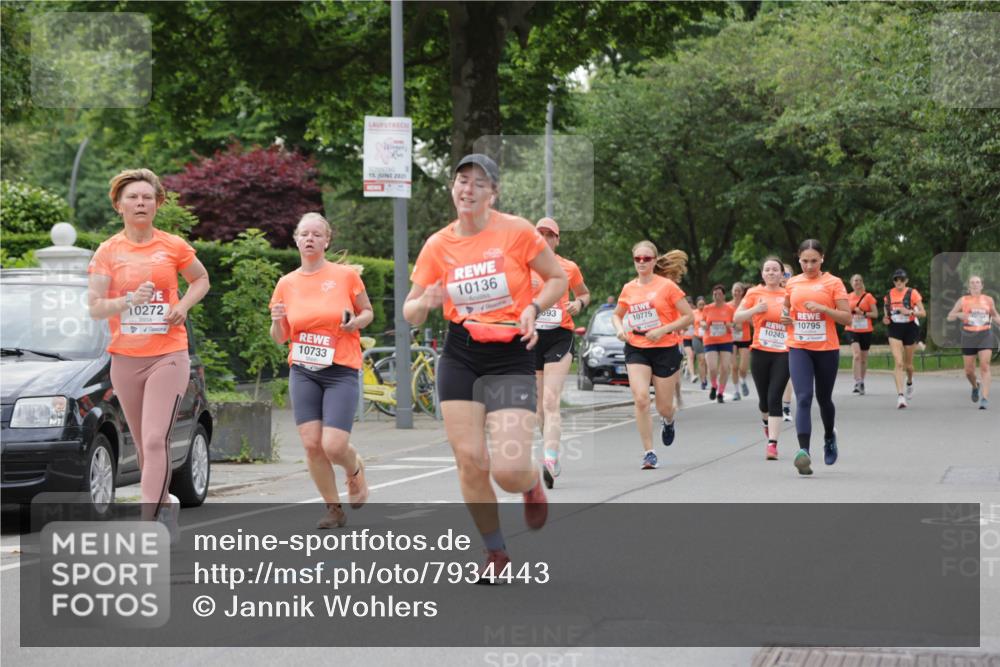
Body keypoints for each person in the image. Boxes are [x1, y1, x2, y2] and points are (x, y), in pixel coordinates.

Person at [402, 154, 567, 580]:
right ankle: (495, 551)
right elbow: (410, 311)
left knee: (508, 471)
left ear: (493, 192)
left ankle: (530, 483)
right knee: (470, 460)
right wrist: (426, 302)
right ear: (453, 188)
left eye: (479, 183)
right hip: (462, 353)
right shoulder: (438, 244)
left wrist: (533, 307)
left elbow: (556, 279)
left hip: (510, 353)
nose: (468, 189)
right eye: (461, 181)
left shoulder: (517, 232)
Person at [88, 168, 211, 529]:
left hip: (168, 355)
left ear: (157, 205)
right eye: (133, 197)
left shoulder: (172, 245)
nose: (140, 203)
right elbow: (95, 305)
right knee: (143, 445)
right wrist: (126, 300)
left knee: (157, 438)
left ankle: (151, 520)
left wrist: (183, 306)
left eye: (147, 198)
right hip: (125, 358)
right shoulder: (108, 251)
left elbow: (200, 279)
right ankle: (165, 502)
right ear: (118, 205)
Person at [269, 212, 373, 529]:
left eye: (317, 234)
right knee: (311, 444)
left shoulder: (344, 276)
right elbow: (281, 337)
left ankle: (354, 471)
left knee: (334, 445)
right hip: (303, 369)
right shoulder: (286, 283)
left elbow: (367, 311)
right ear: (297, 239)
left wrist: (355, 322)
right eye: (305, 234)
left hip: (340, 367)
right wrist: (276, 320)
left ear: (326, 240)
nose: (310, 238)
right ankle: (333, 508)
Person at [612, 242, 693, 469]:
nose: (641, 262)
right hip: (637, 346)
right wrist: (620, 329)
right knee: (640, 399)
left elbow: (688, 317)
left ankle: (668, 420)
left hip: (664, 348)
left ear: (655, 260)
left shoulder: (667, 287)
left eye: (646, 259)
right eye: (637, 258)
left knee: (664, 407)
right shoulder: (628, 288)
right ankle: (649, 452)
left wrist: (662, 330)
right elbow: (617, 315)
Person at [781, 239, 850, 475]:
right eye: (804, 261)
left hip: (826, 348)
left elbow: (846, 318)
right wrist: (785, 318)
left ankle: (830, 436)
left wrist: (824, 309)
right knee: (803, 397)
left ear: (822, 259)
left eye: (813, 261)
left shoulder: (833, 283)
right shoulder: (792, 283)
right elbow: (786, 308)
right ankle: (804, 453)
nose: (809, 266)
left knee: (824, 398)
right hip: (799, 345)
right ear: (798, 260)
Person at [531, 217, 590, 488]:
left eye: (550, 235)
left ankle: (550, 458)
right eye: (540, 233)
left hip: (559, 337)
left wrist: (579, 302)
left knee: (551, 401)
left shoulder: (569, 267)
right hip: (532, 338)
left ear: (557, 239)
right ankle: (549, 447)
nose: (545, 238)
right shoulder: (523, 266)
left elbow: (584, 293)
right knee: (540, 406)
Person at [735, 257, 791, 461]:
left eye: (775, 270)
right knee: (764, 401)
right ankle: (766, 422)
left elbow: (800, 319)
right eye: (767, 270)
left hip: (783, 352)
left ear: (782, 274)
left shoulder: (789, 294)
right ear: (762, 274)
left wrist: (791, 320)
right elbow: (737, 317)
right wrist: (755, 310)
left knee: (775, 396)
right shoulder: (754, 293)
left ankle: (772, 445)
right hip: (760, 351)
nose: (771, 273)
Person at [947, 275, 999, 410]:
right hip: (968, 336)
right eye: (972, 283)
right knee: (969, 371)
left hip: (985, 335)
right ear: (969, 286)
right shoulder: (963, 300)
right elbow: (950, 316)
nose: (975, 285)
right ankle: (975, 386)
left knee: (984, 365)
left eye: (977, 282)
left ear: (982, 286)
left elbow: (994, 315)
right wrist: (959, 315)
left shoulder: (988, 300)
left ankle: (985, 398)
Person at [882, 269, 926, 409]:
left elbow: (923, 313)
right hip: (894, 328)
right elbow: (886, 311)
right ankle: (900, 396)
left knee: (908, 365)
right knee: (899, 362)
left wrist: (910, 312)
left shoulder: (912, 293)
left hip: (910, 328)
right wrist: (886, 319)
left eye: (901, 279)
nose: (899, 282)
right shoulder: (889, 294)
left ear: (906, 280)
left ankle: (910, 381)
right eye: (896, 280)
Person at [844, 274, 878, 395]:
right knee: (857, 355)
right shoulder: (847, 297)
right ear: (851, 283)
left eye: (859, 280)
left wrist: (863, 313)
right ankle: (857, 381)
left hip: (866, 330)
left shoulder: (868, 297)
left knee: (863, 358)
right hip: (851, 328)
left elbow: (875, 314)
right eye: (854, 281)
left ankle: (862, 381)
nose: (857, 282)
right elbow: (843, 313)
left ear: (862, 282)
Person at [701, 285, 735, 404]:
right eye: (715, 294)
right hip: (710, 340)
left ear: (724, 295)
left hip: (725, 340)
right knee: (713, 368)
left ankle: (720, 393)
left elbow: (735, 324)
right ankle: (714, 385)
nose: (717, 296)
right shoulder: (707, 308)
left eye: (719, 294)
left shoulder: (729, 309)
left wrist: (730, 325)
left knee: (725, 368)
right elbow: (702, 321)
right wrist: (703, 324)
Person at [729, 281, 752, 401]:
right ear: (731, 292)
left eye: (739, 290)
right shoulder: (728, 306)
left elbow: (754, 321)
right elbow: (723, 321)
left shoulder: (746, 305)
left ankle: (742, 380)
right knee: (734, 366)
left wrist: (746, 318)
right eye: (735, 290)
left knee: (743, 367)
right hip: (731, 339)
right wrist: (733, 324)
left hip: (745, 337)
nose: (736, 293)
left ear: (742, 292)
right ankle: (736, 391)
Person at [780, 264, 795, 421]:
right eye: (782, 274)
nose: (784, 278)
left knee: (787, 374)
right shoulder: (770, 292)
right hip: (772, 340)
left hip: (790, 337)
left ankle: (786, 408)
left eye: (787, 274)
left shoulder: (796, 291)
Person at [681, 296, 697, 381]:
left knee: (692, 357)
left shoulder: (695, 312)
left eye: (690, 303)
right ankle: (692, 375)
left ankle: (686, 365)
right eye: (687, 303)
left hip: (694, 338)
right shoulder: (682, 313)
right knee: (690, 355)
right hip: (685, 338)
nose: (689, 305)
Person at [694, 295, 708, 389]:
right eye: (700, 304)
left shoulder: (708, 312)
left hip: (707, 338)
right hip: (696, 337)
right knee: (701, 360)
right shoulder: (693, 313)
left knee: (706, 360)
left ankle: (705, 376)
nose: (701, 306)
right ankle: (703, 380)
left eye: (703, 304)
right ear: (696, 305)